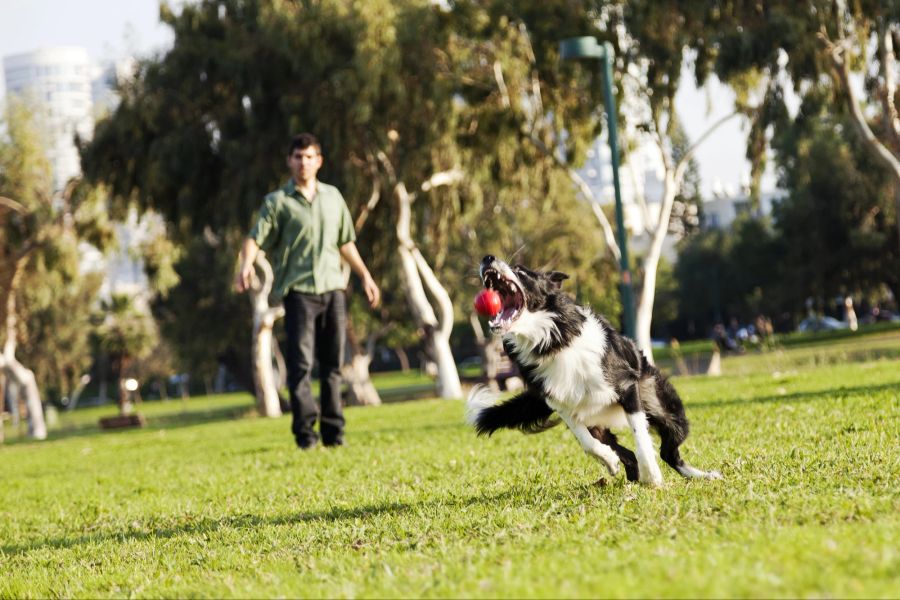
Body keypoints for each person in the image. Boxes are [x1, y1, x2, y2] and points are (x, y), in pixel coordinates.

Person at [235, 133, 380, 449]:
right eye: (298, 157)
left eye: (310, 156)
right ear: (290, 161)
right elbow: (254, 238)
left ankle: (333, 434)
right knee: (300, 367)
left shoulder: (333, 197)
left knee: (332, 367)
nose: (304, 162)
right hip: (299, 293)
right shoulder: (277, 202)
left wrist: (365, 276)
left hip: (333, 290)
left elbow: (345, 242)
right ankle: (305, 436)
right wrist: (245, 265)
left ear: (319, 161)